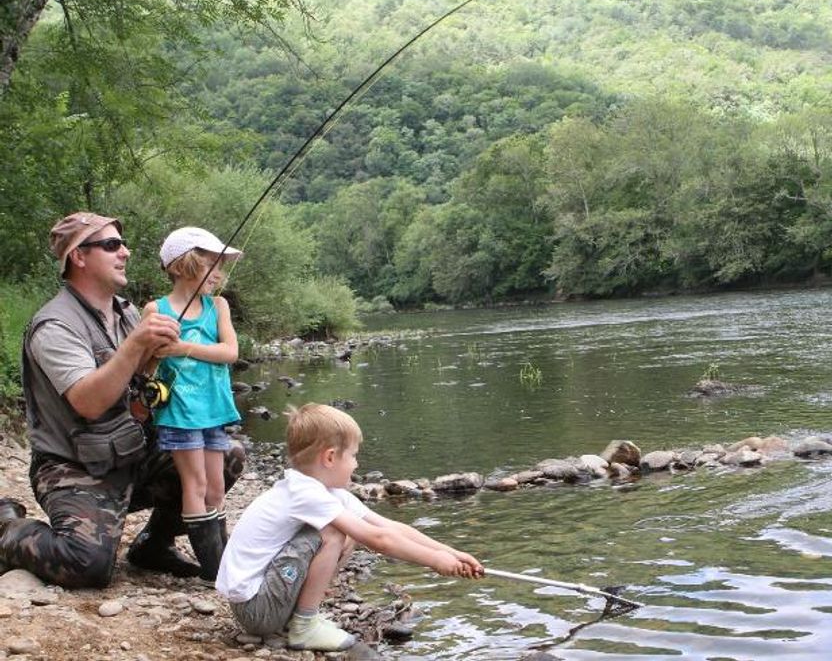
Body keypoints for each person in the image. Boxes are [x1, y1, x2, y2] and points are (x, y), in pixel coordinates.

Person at [0, 212, 246, 588]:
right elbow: (88, 402)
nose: (126, 253)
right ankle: (6, 527)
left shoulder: (129, 312)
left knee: (226, 456)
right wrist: (137, 345)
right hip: (77, 467)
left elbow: (145, 378)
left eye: (123, 244)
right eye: (112, 245)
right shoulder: (55, 326)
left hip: (133, 452)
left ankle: (154, 545)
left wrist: (164, 357)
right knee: (88, 565)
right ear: (78, 257)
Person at [216, 403, 485, 652]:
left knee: (346, 531)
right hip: (255, 610)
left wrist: (450, 553)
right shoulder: (304, 492)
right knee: (334, 533)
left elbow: (390, 527)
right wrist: (434, 562)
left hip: (267, 600)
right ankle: (304, 626)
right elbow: (379, 539)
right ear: (330, 457)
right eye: (354, 456)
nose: (357, 464)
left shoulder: (329, 493)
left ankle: (300, 617)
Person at [142, 226, 243, 582]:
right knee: (195, 485)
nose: (220, 273)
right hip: (179, 412)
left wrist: (182, 347)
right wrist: (157, 351)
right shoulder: (157, 308)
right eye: (213, 264)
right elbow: (147, 365)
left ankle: (221, 564)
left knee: (215, 488)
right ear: (186, 265)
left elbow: (230, 352)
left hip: (214, 410)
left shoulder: (218, 306)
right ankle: (215, 573)